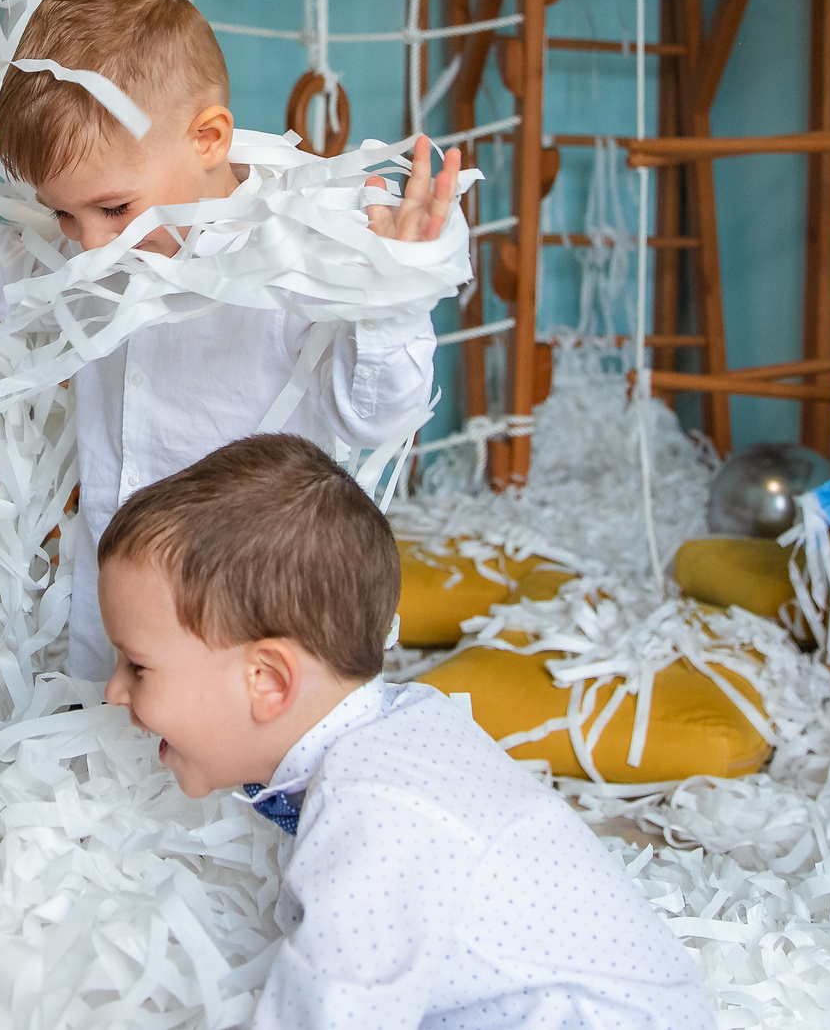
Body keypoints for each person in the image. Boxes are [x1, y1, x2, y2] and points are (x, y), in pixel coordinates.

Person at [0, 0, 461, 681]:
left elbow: (378, 417)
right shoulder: (98, 254)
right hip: (116, 632)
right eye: (66, 214)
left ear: (208, 137)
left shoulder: (298, 250)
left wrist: (391, 297)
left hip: (254, 624)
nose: (90, 244)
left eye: (113, 208)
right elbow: (4, 267)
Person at [100, 435, 716, 1030]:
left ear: (267, 680)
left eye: (138, 667)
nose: (113, 691)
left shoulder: (373, 816)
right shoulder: (406, 721)